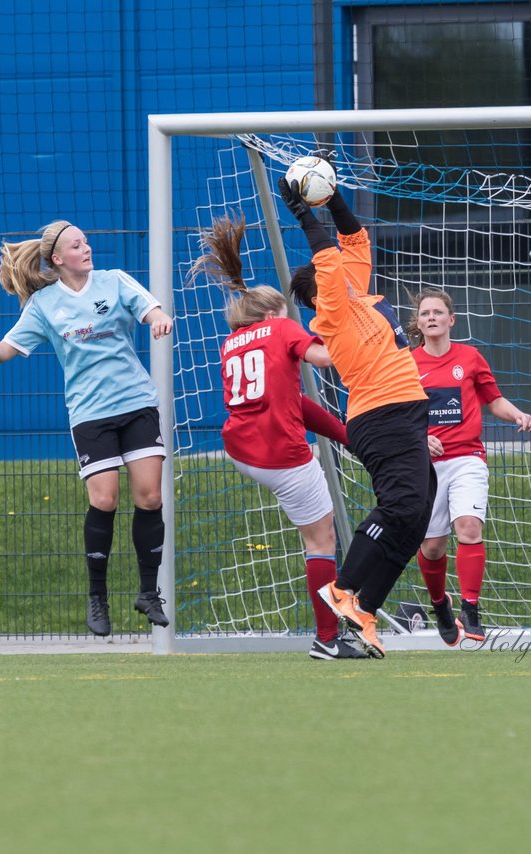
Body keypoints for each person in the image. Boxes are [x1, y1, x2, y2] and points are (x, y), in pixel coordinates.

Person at [0, 220, 174, 637]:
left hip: (136, 404)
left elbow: (151, 308)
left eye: (87, 242)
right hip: (90, 414)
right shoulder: (43, 304)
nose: (87, 248)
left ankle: (149, 593)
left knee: (149, 497)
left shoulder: (113, 281)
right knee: (105, 500)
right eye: (78, 245)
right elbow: (7, 350)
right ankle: (98, 597)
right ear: (58, 259)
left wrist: (159, 319)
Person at [190, 214, 365, 661]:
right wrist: (352, 330)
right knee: (322, 541)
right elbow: (325, 359)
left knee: (318, 535)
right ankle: (328, 639)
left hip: (242, 449)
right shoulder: (283, 328)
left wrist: (345, 435)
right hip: (279, 453)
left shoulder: (232, 342)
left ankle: (334, 629)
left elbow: (295, 404)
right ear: (273, 313)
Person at [278, 172, 435, 658]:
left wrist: (333, 196)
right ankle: (342, 589)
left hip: (405, 415)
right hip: (380, 416)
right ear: (318, 296)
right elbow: (328, 257)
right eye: (333, 278)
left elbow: (352, 238)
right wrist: (303, 212)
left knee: (417, 518)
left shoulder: (360, 297)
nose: (345, 271)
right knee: (401, 507)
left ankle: (363, 609)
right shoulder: (332, 314)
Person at [409, 289, 531, 645]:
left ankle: (472, 609)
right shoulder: (407, 364)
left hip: (467, 458)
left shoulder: (470, 357)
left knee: (467, 527)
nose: (431, 317)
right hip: (427, 464)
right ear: (418, 323)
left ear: (451, 320)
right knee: (432, 547)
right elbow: (399, 417)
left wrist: (518, 414)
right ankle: (440, 605)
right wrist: (420, 439)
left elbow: (493, 400)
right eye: (424, 314)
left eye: (438, 312)